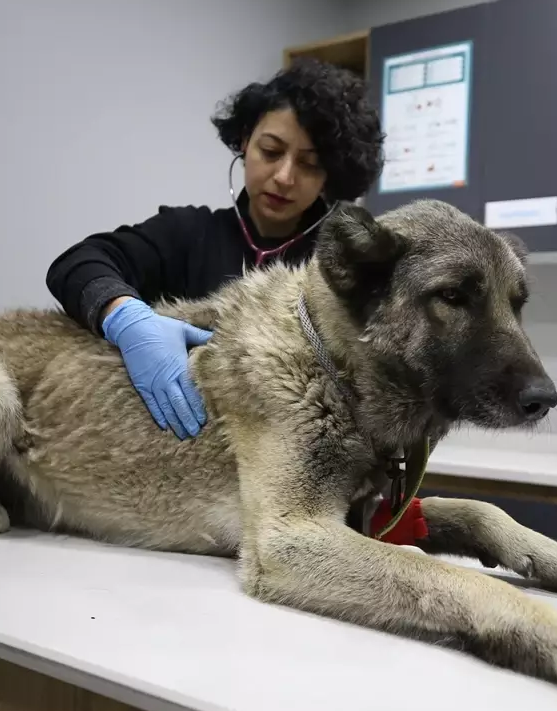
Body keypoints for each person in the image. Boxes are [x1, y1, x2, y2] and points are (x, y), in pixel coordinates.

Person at [46, 58, 385, 440]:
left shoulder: (342, 265)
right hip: (182, 455)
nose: (284, 177)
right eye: (271, 151)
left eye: (309, 165)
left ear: (331, 175)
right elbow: (77, 263)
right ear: (244, 141)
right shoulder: (187, 232)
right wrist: (125, 318)